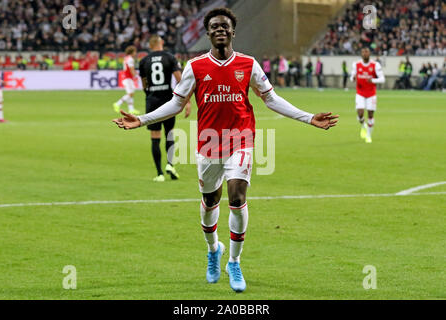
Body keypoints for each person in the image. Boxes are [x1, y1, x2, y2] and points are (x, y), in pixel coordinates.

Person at [112, 7, 338, 293]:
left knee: (237, 195)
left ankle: (234, 261)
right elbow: (176, 103)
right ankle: (212, 250)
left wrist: (308, 117)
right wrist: (142, 119)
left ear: (232, 31)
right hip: (208, 143)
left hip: (241, 139)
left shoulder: (248, 64)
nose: (220, 30)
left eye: (224, 26)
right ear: (208, 33)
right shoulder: (196, 67)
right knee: (209, 203)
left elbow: (271, 99)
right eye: (214, 27)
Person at [139, 35, 191, 182]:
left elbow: (144, 84)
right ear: (161, 42)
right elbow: (180, 80)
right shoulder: (169, 57)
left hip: (152, 101)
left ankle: (159, 173)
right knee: (169, 133)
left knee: (155, 137)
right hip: (168, 100)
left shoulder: (144, 61)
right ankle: (170, 164)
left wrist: (149, 94)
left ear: (150, 45)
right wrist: (187, 102)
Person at [350, 47, 385, 144]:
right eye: (363, 52)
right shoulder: (356, 64)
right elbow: (351, 77)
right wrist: (352, 78)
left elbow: (382, 79)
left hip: (371, 94)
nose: (365, 53)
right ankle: (363, 126)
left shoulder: (375, 65)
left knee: (370, 114)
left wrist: (373, 80)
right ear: (361, 54)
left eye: (367, 52)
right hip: (360, 93)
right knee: (360, 114)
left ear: (369, 53)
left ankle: (369, 135)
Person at [113, 46, 140, 115]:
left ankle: (131, 109)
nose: (135, 53)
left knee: (131, 93)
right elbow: (131, 69)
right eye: (135, 52)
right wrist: (136, 76)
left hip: (126, 77)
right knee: (131, 94)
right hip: (128, 78)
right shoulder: (130, 59)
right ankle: (117, 103)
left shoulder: (126, 58)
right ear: (132, 52)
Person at [0, 55, 7, 123]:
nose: (1, 61)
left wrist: (2, 81)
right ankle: (0, 118)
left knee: (0, 102)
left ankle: (0, 118)